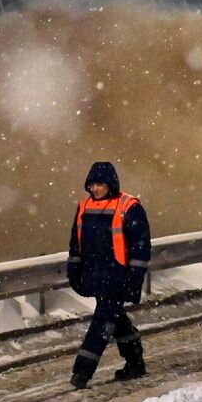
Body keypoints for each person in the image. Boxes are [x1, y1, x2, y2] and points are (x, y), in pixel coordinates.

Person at [66, 161, 152, 389]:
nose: (94, 188)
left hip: (118, 278)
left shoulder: (129, 206)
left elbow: (140, 247)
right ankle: (135, 361)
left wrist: (134, 278)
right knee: (115, 318)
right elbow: (76, 243)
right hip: (96, 277)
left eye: (99, 184)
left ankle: (82, 372)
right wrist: (74, 270)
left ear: (110, 184)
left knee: (102, 322)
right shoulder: (84, 207)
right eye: (91, 184)